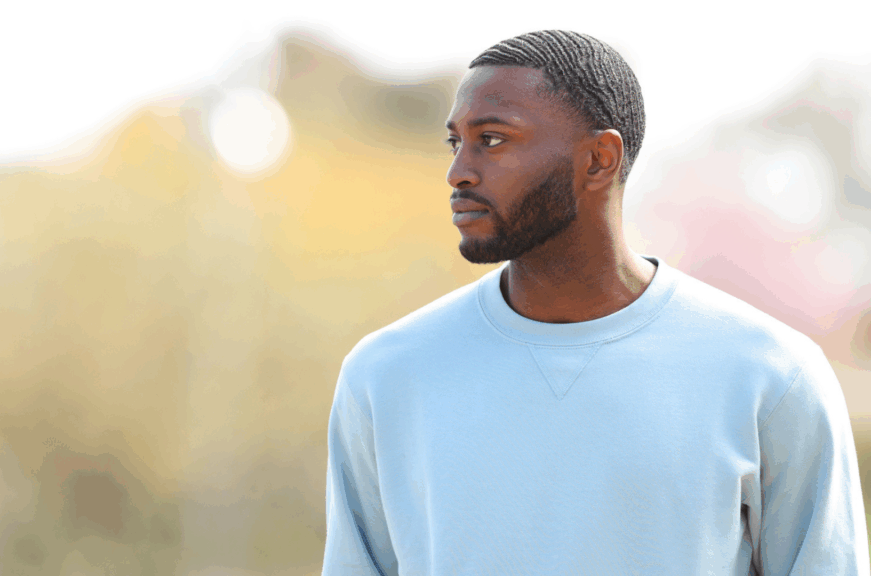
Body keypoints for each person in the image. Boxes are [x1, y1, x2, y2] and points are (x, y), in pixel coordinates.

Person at [321, 30, 870, 575]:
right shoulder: (386, 375)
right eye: (455, 142)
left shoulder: (771, 376)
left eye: (491, 139)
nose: (458, 171)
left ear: (598, 159)